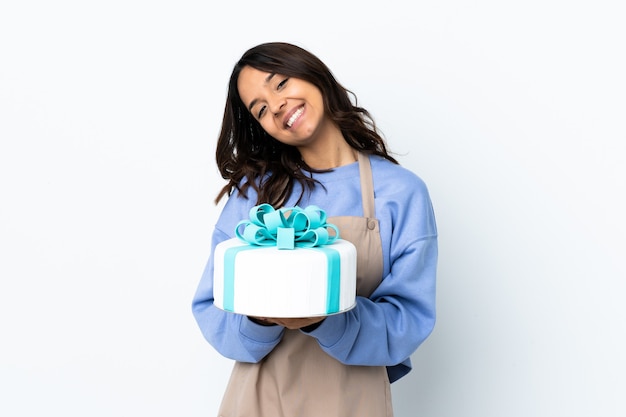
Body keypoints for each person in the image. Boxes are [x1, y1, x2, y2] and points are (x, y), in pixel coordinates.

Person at [192, 42, 438, 417]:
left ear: (313, 74)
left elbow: (408, 320)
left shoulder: (401, 193)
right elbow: (211, 308)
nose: (275, 106)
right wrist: (260, 319)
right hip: (258, 398)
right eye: (260, 109)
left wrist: (326, 320)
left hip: (354, 401)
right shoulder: (253, 193)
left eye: (279, 84)